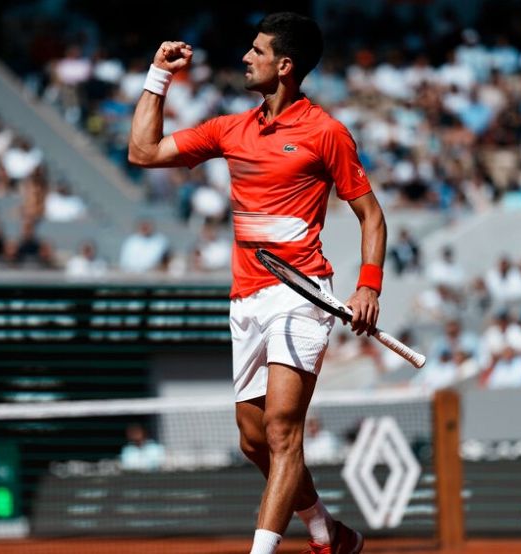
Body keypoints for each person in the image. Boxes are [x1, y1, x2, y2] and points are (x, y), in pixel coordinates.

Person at [128, 12, 382, 554]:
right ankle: (327, 533)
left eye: (257, 51)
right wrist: (158, 76)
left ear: (284, 66)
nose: (246, 57)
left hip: (303, 294)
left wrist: (368, 287)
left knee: (284, 432)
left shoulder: (327, 132)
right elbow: (143, 153)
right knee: (254, 440)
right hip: (245, 298)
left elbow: (371, 216)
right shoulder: (230, 128)